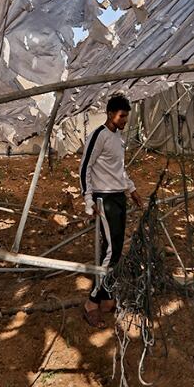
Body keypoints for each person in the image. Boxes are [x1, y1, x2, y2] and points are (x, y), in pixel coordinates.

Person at [79, 93, 142, 328]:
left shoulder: (118, 138)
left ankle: (106, 298)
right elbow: (85, 166)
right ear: (110, 114)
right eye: (122, 116)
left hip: (118, 197)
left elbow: (119, 169)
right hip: (104, 198)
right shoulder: (99, 135)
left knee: (113, 248)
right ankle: (92, 303)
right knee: (112, 251)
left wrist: (132, 190)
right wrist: (88, 199)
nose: (125, 120)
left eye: (126, 116)